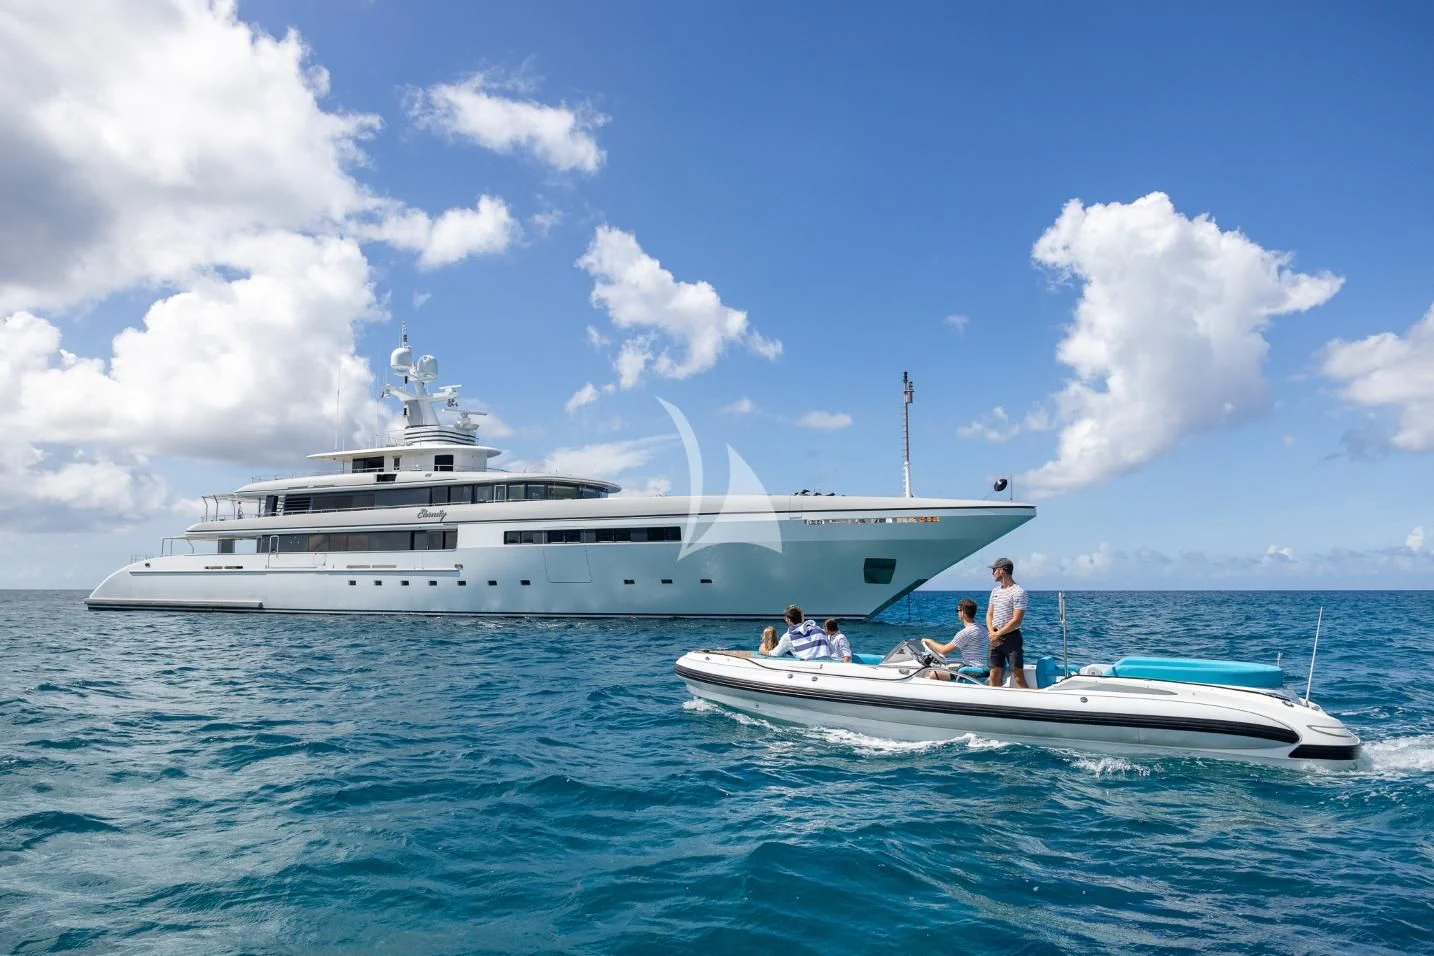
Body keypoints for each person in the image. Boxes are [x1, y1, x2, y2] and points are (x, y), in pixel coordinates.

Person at [986, 557, 1028, 688]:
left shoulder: (1019, 592)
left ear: (1001, 570)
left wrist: (998, 635)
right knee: (994, 674)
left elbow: (1016, 620)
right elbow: (989, 614)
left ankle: (1030, 703)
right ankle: (995, 703)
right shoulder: (995, 591)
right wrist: (993, 633)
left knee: (1017, 675)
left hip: (1012, 638)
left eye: (994, 570)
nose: (992, 573)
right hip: (994, 636)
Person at [921, 597, 988, 679]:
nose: (957, 613)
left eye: (957, 611)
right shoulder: (983, 629)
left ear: (963, 612)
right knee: (949, 667)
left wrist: (929, 641)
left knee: (933, 674)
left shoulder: (965, 632)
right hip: (982, 670)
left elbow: (943, 650)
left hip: (971, 672)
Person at [765, 604, 836, 660]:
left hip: (810, 668)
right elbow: (832, 650)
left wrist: (762, 650)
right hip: (828, 664)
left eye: (786, 619)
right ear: (801, 618)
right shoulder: (818, 629)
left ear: (789, 620)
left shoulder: (788, 637)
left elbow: (775, 654)